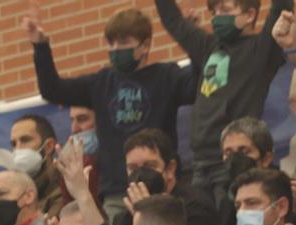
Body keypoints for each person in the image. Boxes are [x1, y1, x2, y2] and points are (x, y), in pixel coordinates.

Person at [28, 8, 191, 208]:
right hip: (117, 192)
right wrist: (40, 46)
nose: (115, 49)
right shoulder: (102, 82)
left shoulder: (166, 76)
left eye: (123, 42)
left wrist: (190, 32)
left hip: (161, 186)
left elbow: (200, 83)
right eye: (111, 43)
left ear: (145, 46)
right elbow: (52, 90)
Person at [153, 0, 290, 195]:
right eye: (214, 12)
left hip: (233, 159)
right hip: (200, 162)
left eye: (225, 10)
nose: (217, 17)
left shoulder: (261, 48)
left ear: (250, 15)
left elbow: (281, 10)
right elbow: (174, 22)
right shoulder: (209, 46)